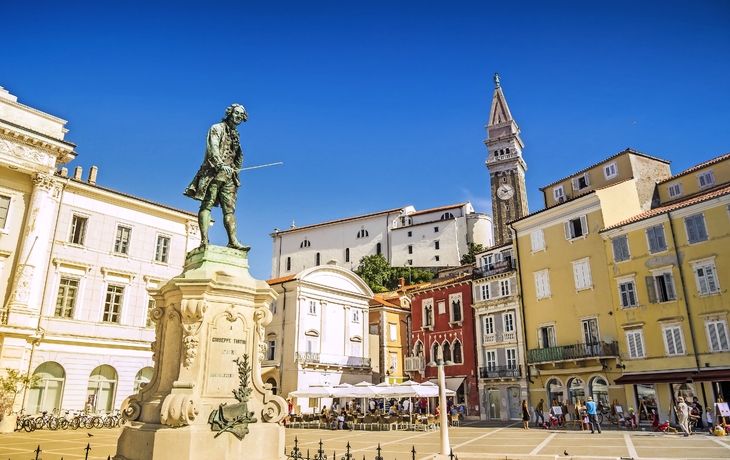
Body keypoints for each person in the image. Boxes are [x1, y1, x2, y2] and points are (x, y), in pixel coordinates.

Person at [184, 103, 249, 251]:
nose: (239, 116)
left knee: (229, 211)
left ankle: (233, 241)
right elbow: (213, 147)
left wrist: (236, 170)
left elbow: (238, 155)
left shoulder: (236, 135)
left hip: (229, 177)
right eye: (236, 113)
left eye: (241, 115)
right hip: (213, 173)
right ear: (229, 113)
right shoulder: (216, 128)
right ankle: (204, 240)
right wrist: (220, 164)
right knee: (207, 204)